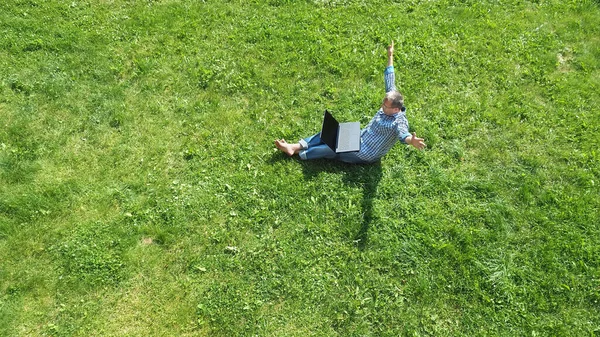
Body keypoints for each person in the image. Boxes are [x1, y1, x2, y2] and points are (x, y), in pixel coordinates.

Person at [275, 41, 426, 164]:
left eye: (384, 106)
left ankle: (300, 153)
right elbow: (390, 77)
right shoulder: (392, 98)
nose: (381, 106)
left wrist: (410, 141)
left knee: (334, 147)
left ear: (395, 109)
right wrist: (390, 55)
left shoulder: (398, 121)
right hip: (360, 137)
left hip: (365, 153)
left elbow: (402, 134)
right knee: (331, 130)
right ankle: (295, 146)